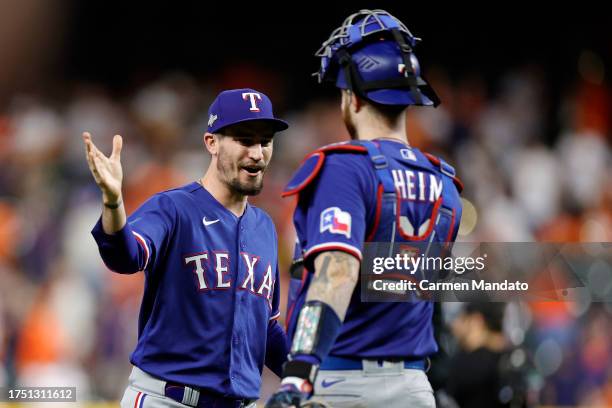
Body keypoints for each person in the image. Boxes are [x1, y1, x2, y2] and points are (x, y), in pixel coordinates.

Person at [266, 10, 463, 408]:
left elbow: (338, 271)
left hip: (344, 384)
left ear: (352, 96)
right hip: (415, 386)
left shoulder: (344, 167)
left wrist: (299, 373)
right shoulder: (446, 182)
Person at [85, 88, 289, 408]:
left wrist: (309, 377)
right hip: (167, 399)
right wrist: (113, 202)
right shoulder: (173, 208)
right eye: (245, 140)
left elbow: (267, 328)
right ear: (212, 142)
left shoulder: (264, 228)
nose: (257, 152)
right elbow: (125, 256)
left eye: (265, 142)